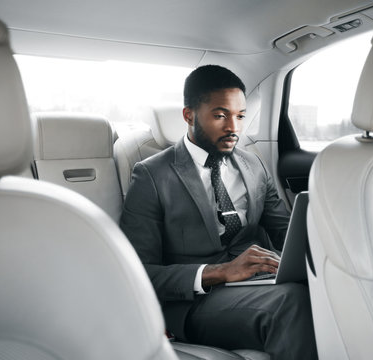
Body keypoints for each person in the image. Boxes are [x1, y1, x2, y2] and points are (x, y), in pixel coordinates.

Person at [120, 65, 317, 359]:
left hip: (258, 283)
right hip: (195, 302)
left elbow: (287, 232)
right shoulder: (151, 175)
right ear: (189, 115)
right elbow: (137, 273)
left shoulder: (254, 165)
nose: (234, 128)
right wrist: (222, 272)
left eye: (240, 116)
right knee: (290, 302)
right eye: (220, 115)